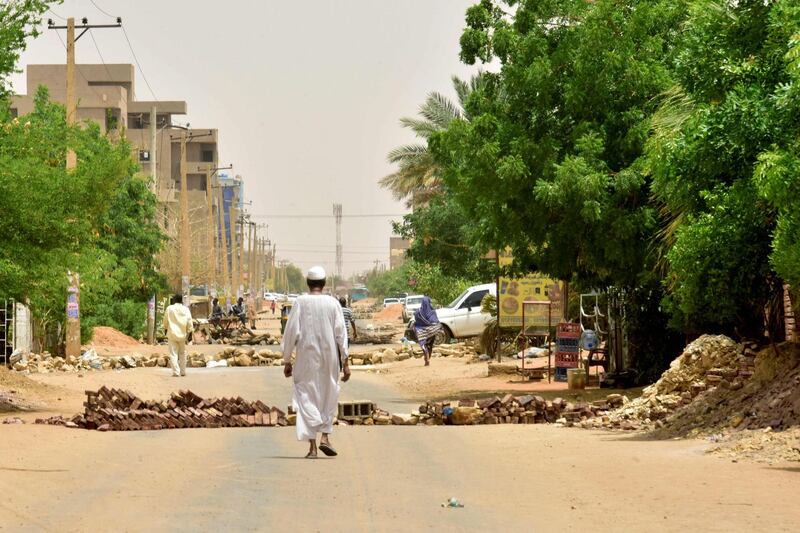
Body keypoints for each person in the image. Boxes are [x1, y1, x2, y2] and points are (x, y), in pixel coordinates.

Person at [282, 266, 350, 459]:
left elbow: (291, 331)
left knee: (306, 396)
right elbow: (341, 334)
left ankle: (312, 447)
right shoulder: (333, 303)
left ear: (308, 283)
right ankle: (325, 437)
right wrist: (345, 361)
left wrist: (287, 360)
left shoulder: (300, 302)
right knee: (329, 393)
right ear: (324, 283)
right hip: (330, 358)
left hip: (306, 358)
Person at [163, 294, 193, 377]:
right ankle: (183, 372)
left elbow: (165, 320)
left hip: (172, 334)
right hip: (182, 334)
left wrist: (165, 328)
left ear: (175, 300)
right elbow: (189, 321)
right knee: (182, 353)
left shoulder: (169, 308)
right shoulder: (185, 309)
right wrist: (190, 332)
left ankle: (176, 372)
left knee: (173, 353)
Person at [414, 296, 442, 366]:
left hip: (423, 332)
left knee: (423, 344)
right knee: (430, 345)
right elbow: (436, 321)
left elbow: (416, 320)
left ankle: (426, 358)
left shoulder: (419, 312)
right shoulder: (433, 312)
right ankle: (428, 358)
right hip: (432, 331)